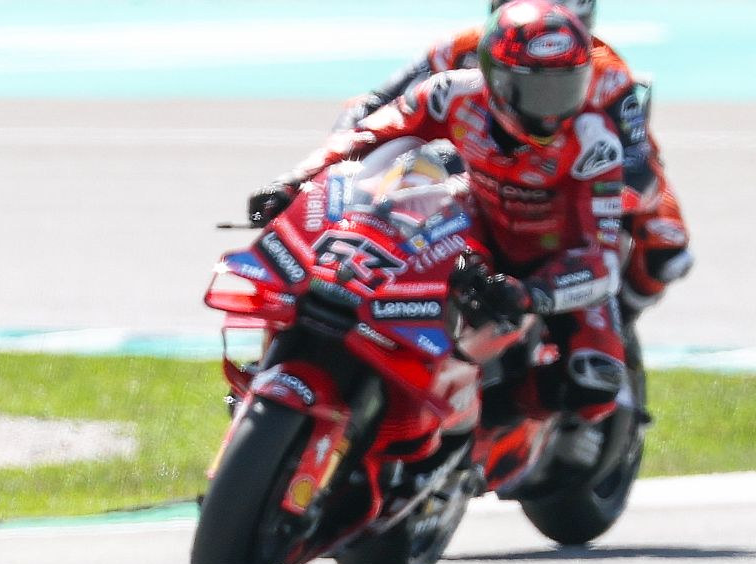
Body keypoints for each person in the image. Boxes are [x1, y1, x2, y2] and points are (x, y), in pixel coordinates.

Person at [250, 0, 627, 425]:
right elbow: (367, 136)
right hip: (472, 234)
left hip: (548, 266)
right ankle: (306, 369)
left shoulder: (595, 145)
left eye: (566, 89)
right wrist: (293, 181)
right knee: (359, 262)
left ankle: (490, 429)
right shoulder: (451, 94)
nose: (552, 110)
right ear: (496, 79)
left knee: (595, 382)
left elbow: (602, 261)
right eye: (538, 92)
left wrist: (532, 293)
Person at [332, 0, 690, 321]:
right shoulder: (460, 48)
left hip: (573, 187)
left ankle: (615, 321)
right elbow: (372, 109)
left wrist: (580, 195)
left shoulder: (607, 71)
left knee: (668, 248)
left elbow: (640, 171)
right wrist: (344, 160)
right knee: (425, 166)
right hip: (476, 175)